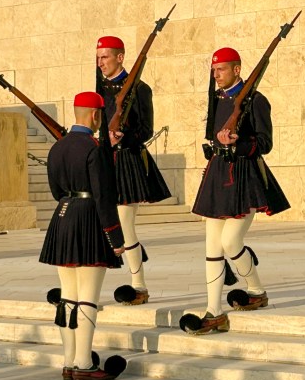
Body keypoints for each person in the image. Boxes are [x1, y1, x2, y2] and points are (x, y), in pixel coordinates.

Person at [181, 47, 290, 335]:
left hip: (244, 175)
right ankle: (213, 312)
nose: (216, 75)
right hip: (218, 173)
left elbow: (264, 144)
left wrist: (237, 143)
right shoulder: (217, 99)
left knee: (231, 242)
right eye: (214, 70)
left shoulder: (256, 101)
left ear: (237, 69)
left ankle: (255, 289)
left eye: (222, 70)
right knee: (212, 248)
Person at [40, 91, 127, 380]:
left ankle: (68, 361)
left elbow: (55, 190)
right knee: (88, 296)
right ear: (95, 115)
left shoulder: (58, 147)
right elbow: (104, 197)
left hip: (63, 215)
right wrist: (116, 239)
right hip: (89, 217)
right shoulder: (93, 148)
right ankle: (84, 364)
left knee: (68, 297)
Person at [96, 35, 172, 306]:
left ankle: (138, 285)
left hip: (127, 161)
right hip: (103, 162)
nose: (100, 62)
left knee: (125, 225)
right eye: (98, 57)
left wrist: (121, 135)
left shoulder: (140, 89)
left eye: (105, 57)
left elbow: (145, 130)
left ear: (120, 57)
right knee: (104, 224)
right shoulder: (100, 89)